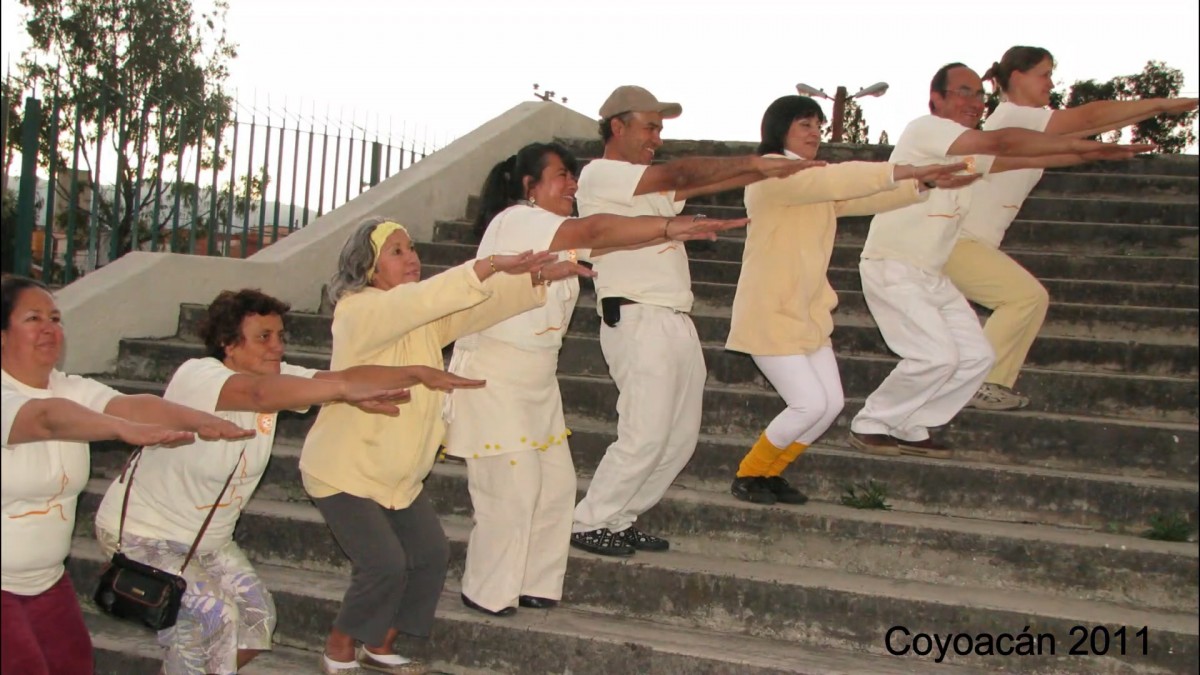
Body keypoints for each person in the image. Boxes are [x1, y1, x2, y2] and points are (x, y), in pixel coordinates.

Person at [445, 141, 749, 616]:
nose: (573, 184)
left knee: (558, 486)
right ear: (530, 186)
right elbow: (597, 228)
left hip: (537, 383)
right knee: (512, 491)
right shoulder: (517, 220)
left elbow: (609, 239)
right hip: (494, 378)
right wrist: (669, 224)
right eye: (562, 175)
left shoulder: (559, 235)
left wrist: (677, 230)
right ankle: (486, 591)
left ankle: (534, 585)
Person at [93, 288, 462, 675]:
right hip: (145, 533)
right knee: (215, 620)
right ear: (227, 344)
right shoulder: (198, 376)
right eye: (264, 337)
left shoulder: (282, 380)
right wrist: (342, 392)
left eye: (280, 336)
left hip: (208, 542)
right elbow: (258, 393)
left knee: (255, 622)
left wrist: (415, 372)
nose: (277, 347)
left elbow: (343, 376)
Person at [301, 217, 592, 675]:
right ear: (369, 266)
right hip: (344, 472)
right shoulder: (358, 310)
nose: (411, 257)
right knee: (384, 564)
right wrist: (489, 263)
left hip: (397, 475)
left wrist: (532, 277)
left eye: (411, 247)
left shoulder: (419, 318)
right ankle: (339, 648)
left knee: (430, 556)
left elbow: (472, 311)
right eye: (396, 251)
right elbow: (427, 300)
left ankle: (380, 643)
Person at [847, 63, 1149, 459]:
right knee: (936, 356)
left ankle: (910, 422)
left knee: (978, 357)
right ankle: (870, 422)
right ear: (936, 98)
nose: (974, 102)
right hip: (894, 265)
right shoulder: (926, 129)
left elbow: (1017, 158)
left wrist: (1093, 150)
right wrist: (1088, 147)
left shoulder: (967, 151)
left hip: (931, 273)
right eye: (963, 92)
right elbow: (1005, 145)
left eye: (978, 95)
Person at [570, 85, 823, 556]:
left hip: (673, 318)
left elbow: (694, 183)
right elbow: (685, 172)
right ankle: (590, 521)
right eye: (650, 126)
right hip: (636, 315)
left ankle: (620, 517)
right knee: (644, 434)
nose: (657, 138)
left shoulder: (648, 180)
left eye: (661, 128)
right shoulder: (601, 174)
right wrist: (762, 162)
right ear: (616, 126)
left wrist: (758, 169)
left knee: (679, 440)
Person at [726, 96, 976, 505]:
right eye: (804, 124)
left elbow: (860, 198)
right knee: (809, 405)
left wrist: (921, 184)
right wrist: (908, 168)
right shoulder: (772, 176)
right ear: (779, 128)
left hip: (807, 313)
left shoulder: (810, 183)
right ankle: (749, 473)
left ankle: (772, 472)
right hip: (769, 314)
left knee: (831, 404)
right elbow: (840, 180)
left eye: (818, 126)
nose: (814, 133)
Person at [0, 274, 252, 675]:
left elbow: (131, 405)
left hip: (45, 581)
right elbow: (47, 420)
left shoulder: (65, 387)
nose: (50, 328)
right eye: (33, 319)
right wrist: (120, 430)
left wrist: (200, 421)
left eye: (55, 317)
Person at [947, 45, 1200, 411]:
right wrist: (1159, 105)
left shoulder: (1027, 121)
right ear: (1017, 77)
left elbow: (1088, 127)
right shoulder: (1015, 117)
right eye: (1044, 73)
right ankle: (981, 382)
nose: (1051, 82)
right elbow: (1087, 118)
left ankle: (978, 380)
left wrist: (1103, 146)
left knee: (1021, 301)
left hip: (969, 243)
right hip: (957, 241)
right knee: (1025, 298)